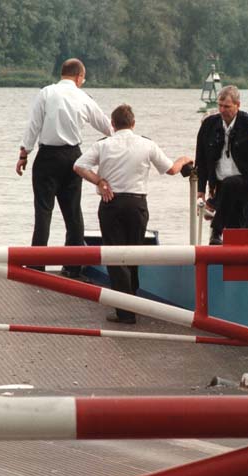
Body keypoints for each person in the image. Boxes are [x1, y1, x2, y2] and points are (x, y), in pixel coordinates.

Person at [74, 104, 192, 324]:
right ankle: (133, 302)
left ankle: (125, 311)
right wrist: (184, 160)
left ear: (112, 124)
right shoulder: (147, 144)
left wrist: (99, 180)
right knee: (135, 255)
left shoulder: (104, 145)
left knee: (114, 256)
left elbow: (79, 166)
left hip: (111, 203)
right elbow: (171, 170)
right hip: (137, 204)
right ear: (133, 123)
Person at [16, 58, 112, 276]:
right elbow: (107, 126)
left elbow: (33, 125)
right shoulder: (83, 97)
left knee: (43, 212)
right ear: (78, 77)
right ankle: (73, 267)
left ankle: (37, 266)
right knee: (73, 214)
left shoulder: (46, 93)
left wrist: (24, 153)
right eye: (83, 79)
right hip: (73, 158)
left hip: (47, 157)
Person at [195, 85, 248, 245]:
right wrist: (201, 190)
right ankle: (228, 254)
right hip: (221, 188)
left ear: (237, 105)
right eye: (220, 105)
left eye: (227, 106)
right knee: (233, 230)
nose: (222, 110)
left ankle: (216, 230)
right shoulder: (209, 125)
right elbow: (202, 159)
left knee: (231, 184)